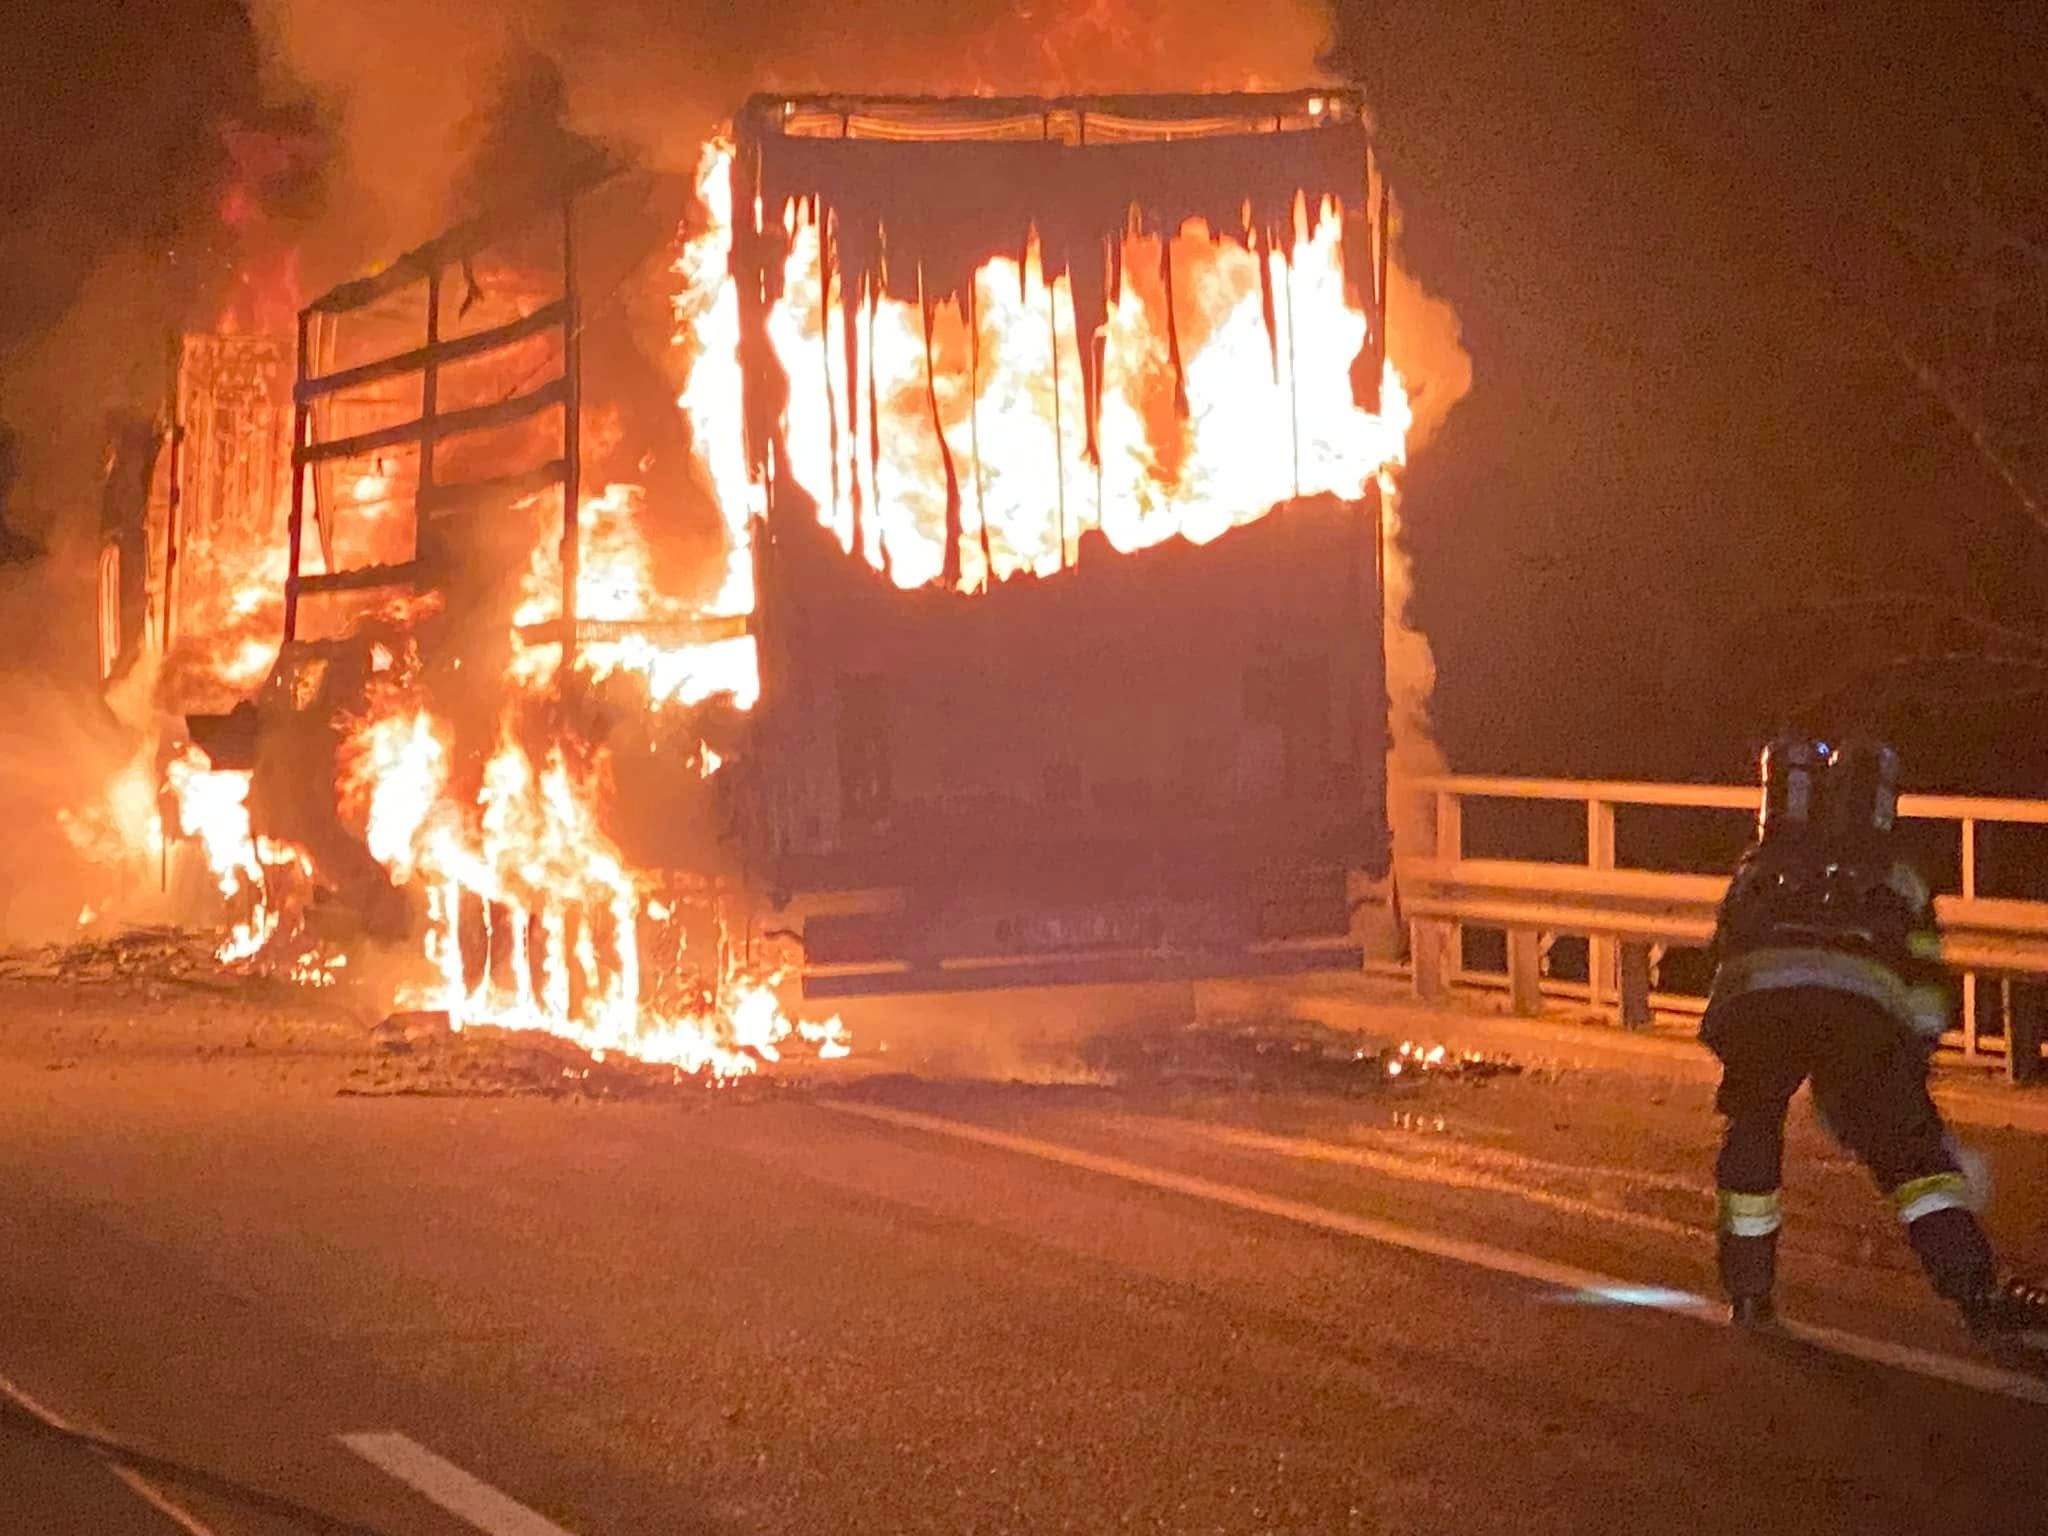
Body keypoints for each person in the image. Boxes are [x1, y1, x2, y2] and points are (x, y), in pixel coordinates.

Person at [1701, 735, 2048, 1347]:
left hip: (1761, 1017)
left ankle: (1748, 1293)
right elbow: (1923, 986)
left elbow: (1728, 962)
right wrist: (1906, 1075)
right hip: (1857, 1023)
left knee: (1750, 1141)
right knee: (1915, 1164)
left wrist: (1738, 1053)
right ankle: (1974, 1291)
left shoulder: (1755, 871)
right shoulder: (1897, 879)